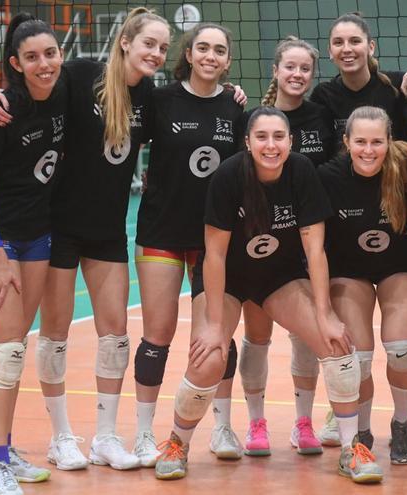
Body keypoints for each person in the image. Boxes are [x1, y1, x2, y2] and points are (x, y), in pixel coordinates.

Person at [0, 8, 171, 470]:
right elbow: (32, 92)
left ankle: (106, 437)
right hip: (58, 229)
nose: (156, 54)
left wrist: (230, 92)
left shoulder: (152, 97)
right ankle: (61, 437)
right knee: (55, 336)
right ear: (125, 41)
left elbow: (192, 106)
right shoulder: (80, 75)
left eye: (164, 48)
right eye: (148, 43)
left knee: (115, 337)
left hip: (107, 230)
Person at [153, 107, 383, 484]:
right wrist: (214, 326)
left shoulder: (302, 172)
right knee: (210, 356)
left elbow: (315, 250)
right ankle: (178, 443)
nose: (271, 145)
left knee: (338, 344)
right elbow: (214, 255)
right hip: (227, 279)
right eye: (262, 137)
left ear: (291, 141)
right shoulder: (229, 175)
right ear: (247, 142)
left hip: (279, 276)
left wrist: (325, 314)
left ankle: (350, 449)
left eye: (279, 137)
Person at [133, 21, 247, 461]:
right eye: (203, 48)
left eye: (220, 50)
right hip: (161, 233)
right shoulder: (160, 100)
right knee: (156, 336)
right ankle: (144, 433)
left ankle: (222, 427)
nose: (211, 56)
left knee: (216, 335)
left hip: (213, 240)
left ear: (228, 60)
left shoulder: (235, 108)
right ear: (190, 53)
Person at [219, 36, 337, 458]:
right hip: (258, 244)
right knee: (257, 334)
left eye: (305, 68)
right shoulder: (248, 118)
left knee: (309, 335)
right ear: (276, 70)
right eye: (290, 67)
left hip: (308, 236)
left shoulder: (323, 115)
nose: (297, 75)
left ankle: (303, 422)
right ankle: (256, 424)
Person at [0, 13, 65, 494]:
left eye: (50, 53)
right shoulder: (1, 110)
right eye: (32, 57)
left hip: (39, 240)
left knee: (17, 349)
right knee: (5, 353)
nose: (43, 64)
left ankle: (4, 450)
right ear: (15, 63)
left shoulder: (64, 94)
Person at [317, 106, 407, 464]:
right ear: (346, 142)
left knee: (402, 348)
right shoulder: (328, 176)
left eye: (377, 141)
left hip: (399, 265)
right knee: (358, 360)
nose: (368, 149)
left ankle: (402, 422)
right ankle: (361, 432)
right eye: (360, 141)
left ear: (389, 141)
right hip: (349, 270)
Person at [310, 12, 407, 143]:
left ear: (371, 47)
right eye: (338, 42)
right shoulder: (323, 95)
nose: (346, 49)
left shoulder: (397, 85)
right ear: (330, 51)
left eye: (355, 41)